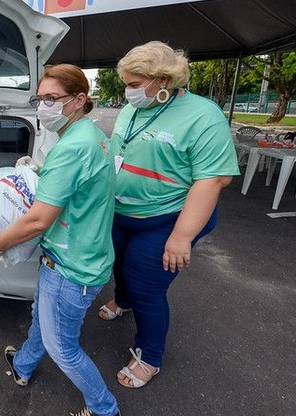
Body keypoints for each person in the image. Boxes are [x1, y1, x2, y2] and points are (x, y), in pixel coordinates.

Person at [0, 65, 121, 416]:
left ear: (78, 100)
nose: (42, 106)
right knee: (42, 320)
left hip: (71, 266)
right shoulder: (89, 135)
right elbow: (76, 186)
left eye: (51, 99)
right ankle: (24, 365)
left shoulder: (72, 146)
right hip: (78, 253)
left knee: (62, 346)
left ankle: (105, 410)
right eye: (39, 98)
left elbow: (36, 221)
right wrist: (39, 171)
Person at [99, 41, 239, 389]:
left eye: (134, 84)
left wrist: (181, 237)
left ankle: (150, 356)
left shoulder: (204, 115)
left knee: (146, 284)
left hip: (168, 218)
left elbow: (213, 179)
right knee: (117, 263)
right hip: (122, 210)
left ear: (163, 79)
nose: (128, 92)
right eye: (126, 84)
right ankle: (123, 299)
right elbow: (121, 150)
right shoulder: (134, 109)